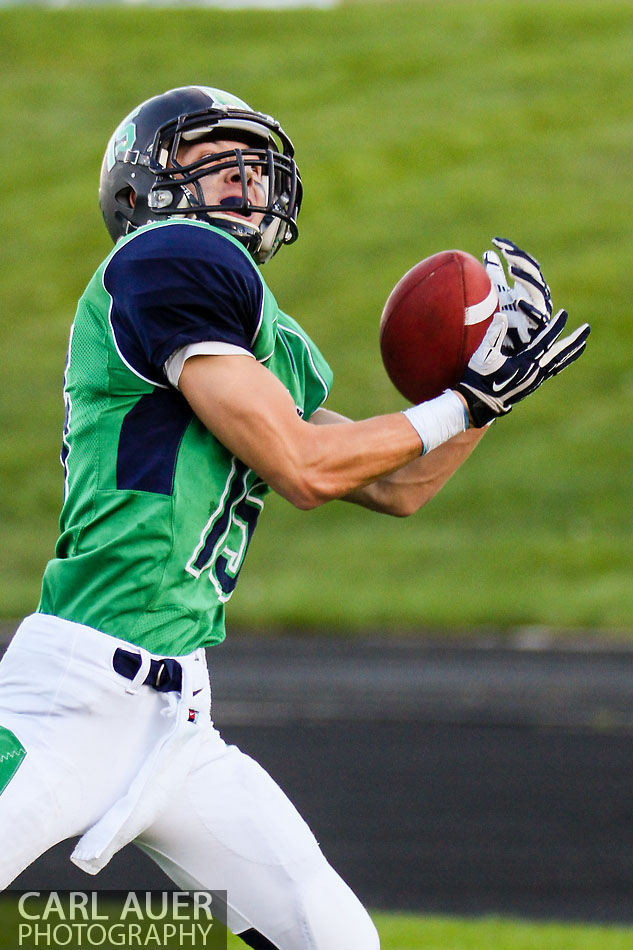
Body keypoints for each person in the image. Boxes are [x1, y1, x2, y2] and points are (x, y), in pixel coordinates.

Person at [0, 86, 589, 948]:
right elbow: (302, 468)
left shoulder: (256, 325)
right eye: (213, 160)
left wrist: (490, 397)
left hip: (177, 717)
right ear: (144, 186)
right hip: (75, 693)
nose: (245, 177)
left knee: (340, 941)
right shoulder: (167, 257)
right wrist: (462, 402)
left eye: (252, 160)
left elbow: (399, 485)